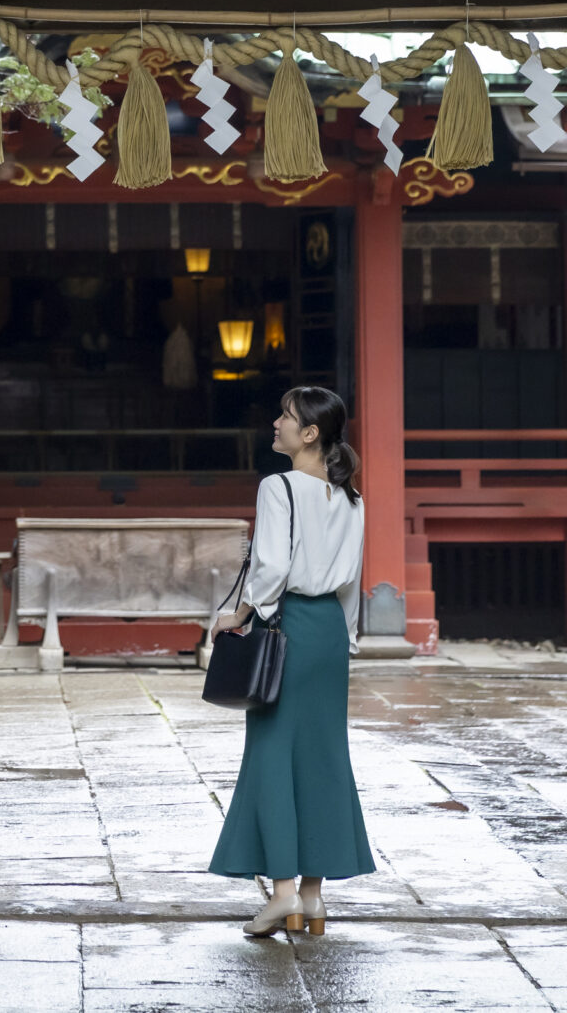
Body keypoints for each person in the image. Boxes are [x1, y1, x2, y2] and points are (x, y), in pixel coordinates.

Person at [208, 385, 378, 936]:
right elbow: (351, 581)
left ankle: (282, 895)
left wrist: (241, 613)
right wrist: (346, 638)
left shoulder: (277, 486)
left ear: (309, 433)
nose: (275, 423)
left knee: (272, 755)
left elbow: (273, 565)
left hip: (288, 626)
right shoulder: (352, 498)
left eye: (285, 416)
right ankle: (312, 898)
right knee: (324, 757)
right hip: (328, 631)